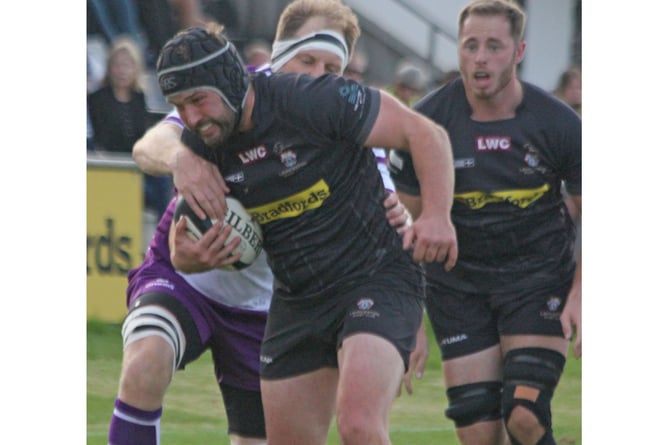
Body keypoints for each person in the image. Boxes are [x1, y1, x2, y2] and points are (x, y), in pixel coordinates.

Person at [109, 2, 419, 444]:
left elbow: (391, 218)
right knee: (145, 364)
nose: (317, 74)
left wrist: (401, 320)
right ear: (278, 54)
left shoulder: (349, 129)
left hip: (268, 310)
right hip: (186, 277)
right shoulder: (231, 92)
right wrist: (182, 159)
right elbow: (152, 143)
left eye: (332, 67)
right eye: (307, 59)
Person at [388, 1, 581, 445]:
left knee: (525, 415)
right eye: (471, 45)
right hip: (457, 288)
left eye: (494, 46)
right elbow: (403, 223)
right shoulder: (427, 123)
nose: (480, 57)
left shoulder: (558, 124)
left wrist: (580, 291)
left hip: (537, 281)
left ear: (519, 51)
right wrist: (408, 314)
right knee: (478, 433)